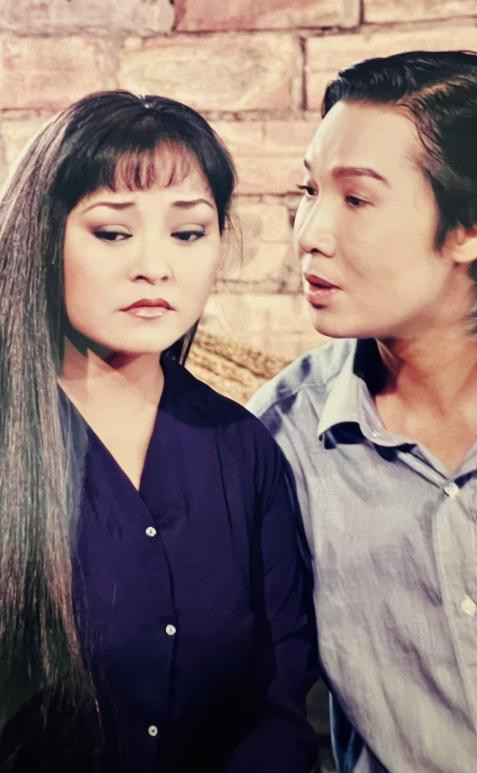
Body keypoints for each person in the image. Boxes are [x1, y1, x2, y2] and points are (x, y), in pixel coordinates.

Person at [248, 51, 477, 773]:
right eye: (309, 190)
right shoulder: (279, 439)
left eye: (356, 199)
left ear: (476, 226)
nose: (309, 233)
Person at [0, 90, 318, 773]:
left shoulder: (244, 449)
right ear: (43, 236)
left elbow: (276, 707)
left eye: (188, 233)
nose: (155, 266)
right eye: (113, 233)